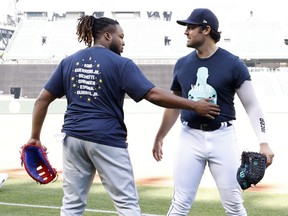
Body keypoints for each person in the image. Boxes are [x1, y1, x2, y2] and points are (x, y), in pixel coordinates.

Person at [26, 15, 220, 216]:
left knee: (71, 206)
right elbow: (152, 94)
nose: (124, 41)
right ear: (108, 36)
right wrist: (193, 105)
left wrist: (35, 136)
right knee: (127, 206)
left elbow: (42, 100)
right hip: (106, 139)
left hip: (72, 139)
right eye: (121, 36)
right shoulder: (121, 64)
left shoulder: (68, 62)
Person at [152, 8, 274, 216]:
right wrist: (160, 136)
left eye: (191, 27)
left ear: (206, 29)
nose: (186, 32)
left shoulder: (233, 64)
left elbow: (252, 105)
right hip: (189, 136)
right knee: (180, 203)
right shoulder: (182, 64)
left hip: (222, 137)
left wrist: (263, 141)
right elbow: (174, 105)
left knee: (234, 204)